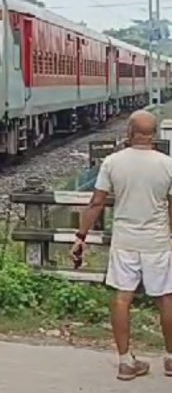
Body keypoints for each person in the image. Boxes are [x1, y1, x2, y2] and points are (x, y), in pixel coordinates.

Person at [72, 110, 172, 381]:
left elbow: (96, 203)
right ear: (152, 134)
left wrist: (81, 236)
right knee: (166, 297)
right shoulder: (167, 164)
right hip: (157, 242)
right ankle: (171, 359)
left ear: (129, 132)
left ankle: (126, 361)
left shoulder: (112, 163)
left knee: (122, 298)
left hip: (125, 241)